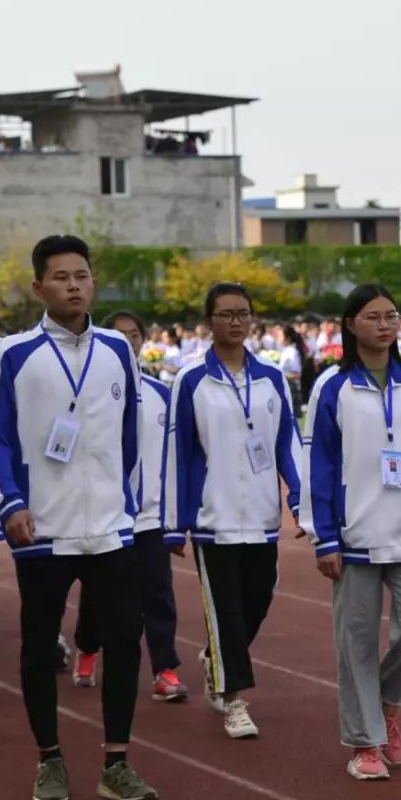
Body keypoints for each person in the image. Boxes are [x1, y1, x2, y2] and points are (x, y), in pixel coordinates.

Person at [0, 234, 157, 800]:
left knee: (125, 639)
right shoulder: (15, 354)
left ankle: (118, 762)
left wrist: (123, 499)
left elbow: (128, 436)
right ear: (38, 287)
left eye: (82, 275)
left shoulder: (116, 350)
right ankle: (49, 758)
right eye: (61, 277)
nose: (74, 285)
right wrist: (10, 502)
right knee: (37, 648)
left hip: (109, 525)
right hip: (42, 527)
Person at [300, 284, 401, 781]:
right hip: (353, 533)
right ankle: (365, 744)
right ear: (351, 324)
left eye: (392, 316)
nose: (386, 325)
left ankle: (385, 703)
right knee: (356, 640)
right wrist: (323, 534)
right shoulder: (331, 387)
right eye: (374, 317)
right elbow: (317, 462)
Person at [163, 282, 302, 740]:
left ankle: (216, 659)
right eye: (225, 314)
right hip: (212, 518)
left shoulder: (273, 378)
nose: (236, 321)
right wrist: (174, 523)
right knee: (225, 610)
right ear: (209, 323)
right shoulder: (190, 380)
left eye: (243, 313)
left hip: (261, 516)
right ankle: (234, 699)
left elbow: (287, 445)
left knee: (257, 600)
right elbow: (177, 453)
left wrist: (301, 502)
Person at [71, 309, 187, 703]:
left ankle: (164, 668)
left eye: (134, 334)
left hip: (149, 517)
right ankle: (88, 647)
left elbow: (176, 456)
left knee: (158, 593)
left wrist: (176, 514)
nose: (128, 341)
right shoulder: (89, 393)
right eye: (118, 334)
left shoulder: (162, 395)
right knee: (98, 596)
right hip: (104, 516)